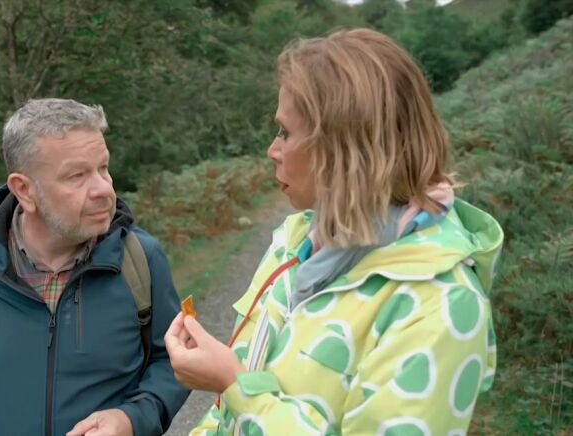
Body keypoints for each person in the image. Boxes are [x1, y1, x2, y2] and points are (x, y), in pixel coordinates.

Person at [165, 28, 503, 435]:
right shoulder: (294, 241)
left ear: (344, 149)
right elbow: (226, 416)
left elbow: (240, 392)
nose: (273, 150)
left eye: (285, 132)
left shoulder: (441, 306)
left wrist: (235, 386)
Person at [0, 98, 189, 436]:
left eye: (103, 168)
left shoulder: (139, 259)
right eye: (77, 176)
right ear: (25, 190)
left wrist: (131, 419)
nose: (104, 189)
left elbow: (174, 362)